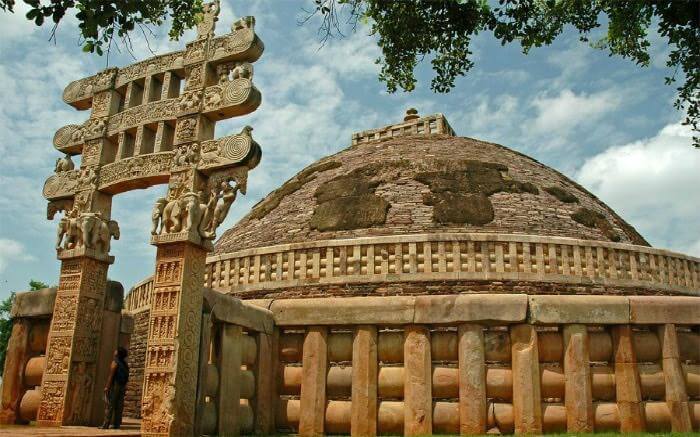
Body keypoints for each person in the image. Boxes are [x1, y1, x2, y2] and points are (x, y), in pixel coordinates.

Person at [101, 347, 129, 429]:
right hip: (122, 386)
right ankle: (117, 424)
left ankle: (106, 424)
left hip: (115, 385)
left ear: (117, 353)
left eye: (116, 350)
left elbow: (111, 375)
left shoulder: (115, 362)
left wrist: (107, 386)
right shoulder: (124, 364)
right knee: (119, 406)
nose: (114, 351)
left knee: (110, 405)